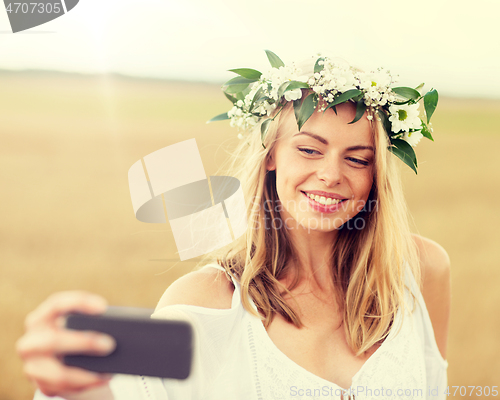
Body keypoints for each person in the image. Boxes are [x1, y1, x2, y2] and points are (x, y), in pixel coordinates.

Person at [16, 52, 451, 400]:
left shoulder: (421, 269)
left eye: (357, 159)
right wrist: (75, 388)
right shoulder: (209, 301)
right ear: (272, 156)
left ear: (378, 175)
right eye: (310, 150)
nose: (332, 175)